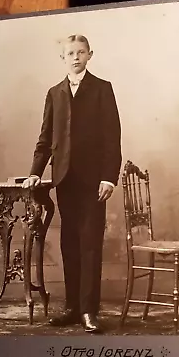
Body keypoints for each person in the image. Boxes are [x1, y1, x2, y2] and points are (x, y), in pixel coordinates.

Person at [23, 34, 122, 333]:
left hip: (95, 183)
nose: (76, 57)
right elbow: (45, 139)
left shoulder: (103, 89)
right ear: (63, 58)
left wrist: (109, 178)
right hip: (64, 180)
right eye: (70, 53)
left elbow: (111, 138)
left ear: (90, 55)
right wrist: (35, 172)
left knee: (90, 243)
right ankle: (72, 308)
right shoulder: (54, 93)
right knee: (69, 244)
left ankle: (89, 311)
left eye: (81, 52)